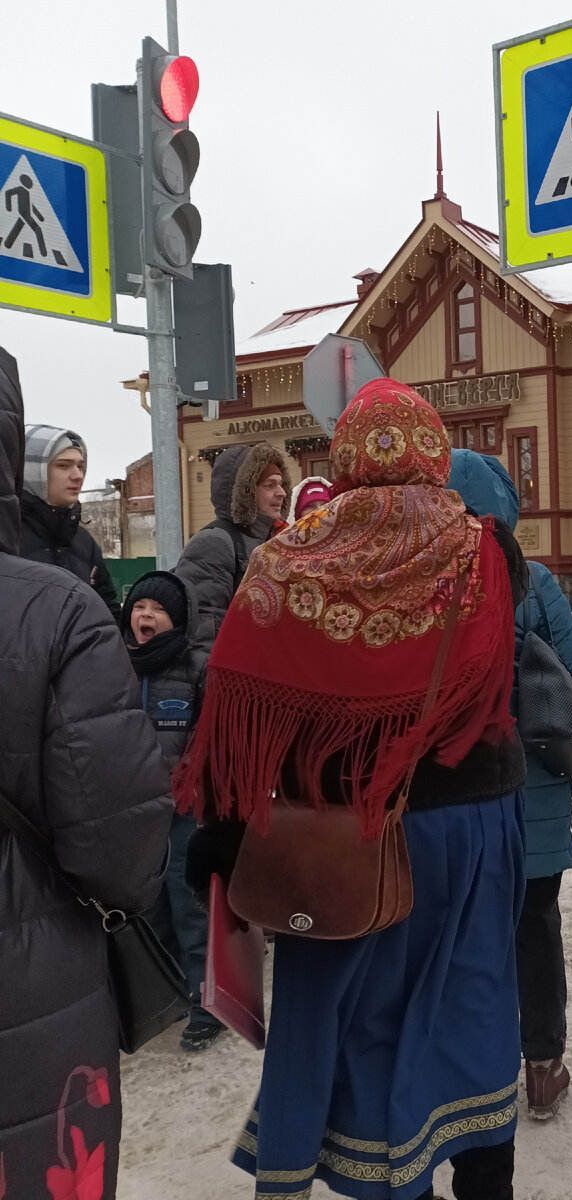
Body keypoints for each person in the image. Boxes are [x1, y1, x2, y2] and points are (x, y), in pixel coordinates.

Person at [175, 380, 528, 1200]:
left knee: (361, 1025)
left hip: (347, 836)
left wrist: (222, 841)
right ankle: (485, 1175)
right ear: (432, 451)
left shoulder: (288, 557)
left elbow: (242, 709)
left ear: (347, 456)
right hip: (474, 831)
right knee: (473, 1004)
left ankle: (385, 1179)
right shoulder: (487, 548)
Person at [0, 347, 175, 1200]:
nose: (77, 478)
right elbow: (120, 838)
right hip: (29, 979)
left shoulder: (76, 564)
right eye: (62, 464)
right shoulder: (48, 599)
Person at [448, 448, 572, 1120]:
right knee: (535, 928)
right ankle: (543, 1068)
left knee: (466, 933)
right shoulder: (533, 582)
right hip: (534, 795)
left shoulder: (427, 581)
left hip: (456, 798)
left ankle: (472, 1072)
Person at [119, 570, 223, 1052]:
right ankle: (167, 998)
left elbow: (212, 735)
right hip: (134, 812)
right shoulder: (112, 664)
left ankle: (208, 1005)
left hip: (184, 811)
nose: (146, 615)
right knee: (148, 909)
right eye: (139, 607)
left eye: (157, 609)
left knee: (189, 907)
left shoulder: (197, 665)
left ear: (177, 619)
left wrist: (191, 780)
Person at [173, 441, 290, 652]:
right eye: (269, 485)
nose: (281, 492)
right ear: (245, 492)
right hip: (230, 676)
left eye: (281, 484)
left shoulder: (274, 540)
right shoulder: (213, 544)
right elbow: (202, 633)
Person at [19, 423, 121, 620]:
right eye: (63, 465)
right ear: (29, 470)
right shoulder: (8, 536)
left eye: (80, 466)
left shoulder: (84, 542)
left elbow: (108, 612)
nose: (78, 476)